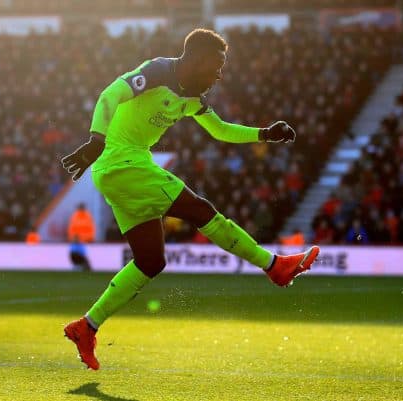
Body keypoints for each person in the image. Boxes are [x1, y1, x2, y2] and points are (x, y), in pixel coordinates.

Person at [60, 28, 320, 370]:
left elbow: (220, 129)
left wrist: (264, 134)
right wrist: (97, 139)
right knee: (200, 209)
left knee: (151, 262)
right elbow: (110, 93)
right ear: (194, 57)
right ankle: (274, 266)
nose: (219, 74)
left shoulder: (193, 97)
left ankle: (86, 327)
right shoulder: (156, 72)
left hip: (125, 170)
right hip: (122, 163)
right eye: (216, 65)